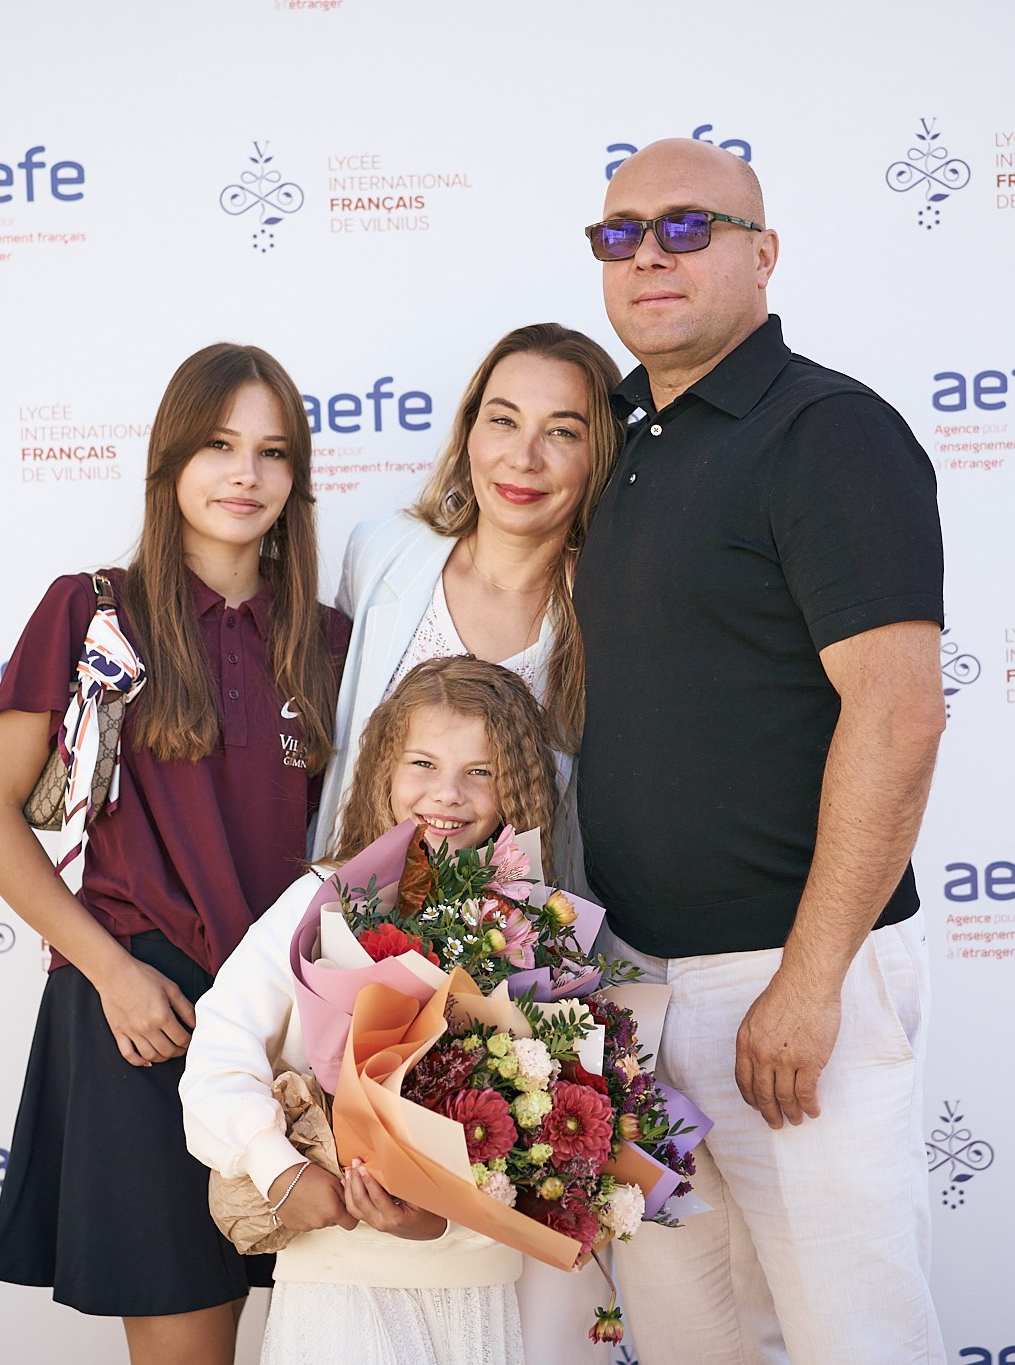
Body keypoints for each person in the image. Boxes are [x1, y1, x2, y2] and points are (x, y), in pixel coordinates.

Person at [573, 140, 949, 1362]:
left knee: (854, 1338)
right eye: (618, 233)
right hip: (634, 985)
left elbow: (895, 714)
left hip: (790, 986)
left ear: (761, 252)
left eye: (686, 228)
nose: (646, 255)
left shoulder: (826, 432)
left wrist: (808, 979)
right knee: (692, 1341)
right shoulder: (622, 441)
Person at [0, 343, 349, 1365]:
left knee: (333, 1330)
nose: (244, 475)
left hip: (295, 1028)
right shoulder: (91, 613)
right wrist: (111, 973)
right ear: (169, 462)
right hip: (145, 1021)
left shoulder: (332, 639)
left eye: (271, 453)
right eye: (218, 445)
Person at [182, 656, 564, 1365]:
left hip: (473, 1295)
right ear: (385, 767)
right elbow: (219, 1049)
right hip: (338, 1282)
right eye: (423, 762)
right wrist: (278, 1168)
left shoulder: (537, 930)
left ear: (518, 783)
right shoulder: (319, 901)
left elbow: (549, 1125)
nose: (448, 793)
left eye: (481, 770)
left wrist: (441, 1216)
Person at [313, 324, 622, 906]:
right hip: (353, 924)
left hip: (522, 959)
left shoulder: (610, 609)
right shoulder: (381, 552)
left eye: (562, 432)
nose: (523, 458)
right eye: (503, 421)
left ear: (599, 453)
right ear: (470, 433)